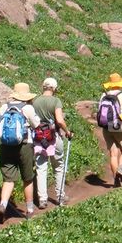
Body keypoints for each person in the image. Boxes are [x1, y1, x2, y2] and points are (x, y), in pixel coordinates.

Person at [0, 83, 40, 224]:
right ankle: (30, 210)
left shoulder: (4, 107)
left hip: (6, 146)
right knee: (27, 178)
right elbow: (36, 125)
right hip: (25, 145)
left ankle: (3, 205)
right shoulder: (28, 108)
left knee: (8, 179)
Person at [32, 77, 73, 209]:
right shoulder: (56, 101)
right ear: (54, 88)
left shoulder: (35, 101)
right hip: (53, 137)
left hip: (39, 139)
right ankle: (60, 196)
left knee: (41, 168)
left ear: (43, 87)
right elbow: (60, 120)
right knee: (58, 166)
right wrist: (67, 132)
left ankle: (42, 199)